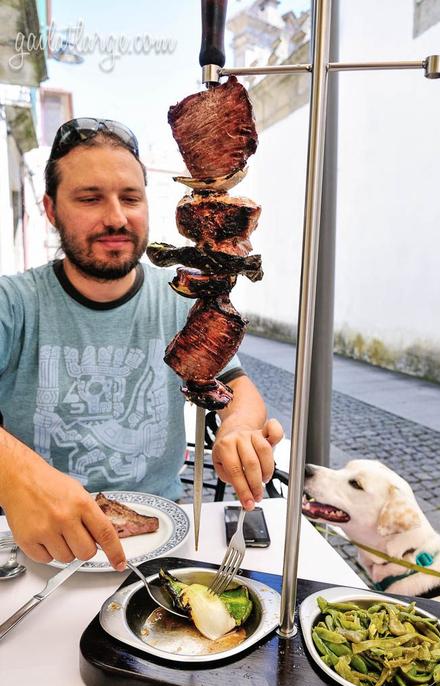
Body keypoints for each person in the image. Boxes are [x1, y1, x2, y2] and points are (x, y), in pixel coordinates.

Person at [0, 118, 283, 571]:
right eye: (90, 198)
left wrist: (239, 429)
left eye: (130, 198)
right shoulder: (13, 304)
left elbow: (237, 389)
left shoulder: (181, 299)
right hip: (35, 549)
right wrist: (14, 474)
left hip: (161, 539)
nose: (115, 217)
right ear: (51, 210)